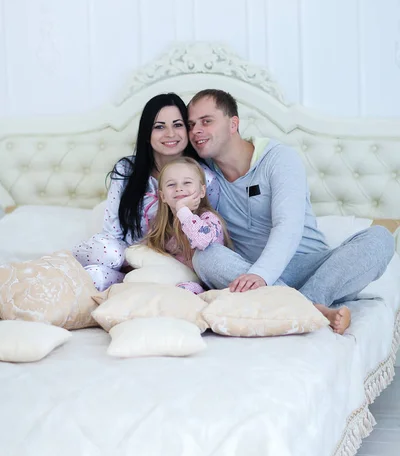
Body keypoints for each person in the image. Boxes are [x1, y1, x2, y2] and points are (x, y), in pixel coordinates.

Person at [187, 89, 395, 334]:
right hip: (249, 271)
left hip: (311, 269)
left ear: (234, 124)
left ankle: (300, 304)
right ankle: (312, 309)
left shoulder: (279, 159)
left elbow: (288, 225)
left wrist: (263, 274)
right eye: (190, 125)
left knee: (380, 238)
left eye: (206, 121)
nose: (195, 131)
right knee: (204, 256)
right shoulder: (202, 177)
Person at [73, 94, 219, 291]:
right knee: (98, 269)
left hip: (173, 267)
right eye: (159, 126)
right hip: (123, 260)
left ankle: (135, 285)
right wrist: (131, 261)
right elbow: (112, 232)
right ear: (147, 134)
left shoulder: (205, 178)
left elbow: (213, 234)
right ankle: (69, 265)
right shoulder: (127, 171)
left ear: (187, 129)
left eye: (177, 125)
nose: (170, 133)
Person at [144, 156, 232, 294]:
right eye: (171, 185)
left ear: (202, 191)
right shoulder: (163, 228)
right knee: (179, 291)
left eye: (187, 182)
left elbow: (202, 241)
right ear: (162, 196)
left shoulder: (208, 218)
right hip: (195, 284)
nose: (179, 188)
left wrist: (182, 209)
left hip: (219, 279)